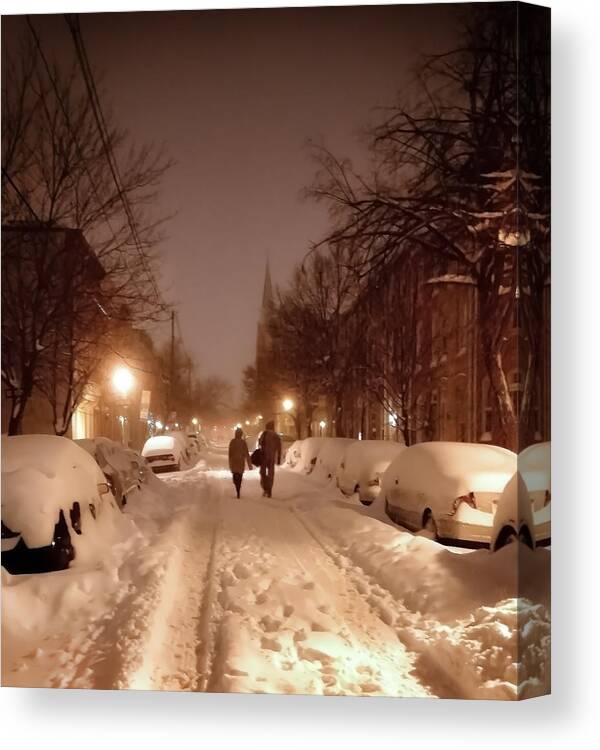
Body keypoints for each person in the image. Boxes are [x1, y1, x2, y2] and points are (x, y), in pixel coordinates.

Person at [258, 420, 282, 498]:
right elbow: (279, 447)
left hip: (264, 457)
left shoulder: (264, 434)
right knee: (271, 473)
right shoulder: (276, 436)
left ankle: (265, 487)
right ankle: (269, 489)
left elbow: (260, 443)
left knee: (262, 472)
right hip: (272, 457)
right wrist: (278, 458)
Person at [228, 427, 252, 499]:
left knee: (235, 476)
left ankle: (237, 488)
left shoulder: (232, 442)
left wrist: (230, 461)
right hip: (240, 462)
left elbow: (230, 453)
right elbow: (246, 453)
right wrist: (249, 464)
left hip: (234, 462)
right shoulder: (243, 443)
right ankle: (238, 489)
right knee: (240, 476)